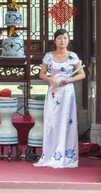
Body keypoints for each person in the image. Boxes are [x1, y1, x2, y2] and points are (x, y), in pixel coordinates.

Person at [34, 29, 85, 168]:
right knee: (52, 121)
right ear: (55, 41)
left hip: (67, 93)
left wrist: (70, 80)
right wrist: (50, 79)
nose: (62, 40)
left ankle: (66, 155)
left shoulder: (73, 56)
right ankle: (51, 154)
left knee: (66, 121)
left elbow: (82, 74)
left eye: (65, 38)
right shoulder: (48, 56)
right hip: (53, 92)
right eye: (59, 38)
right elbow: (42, 74)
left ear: (68, 40)